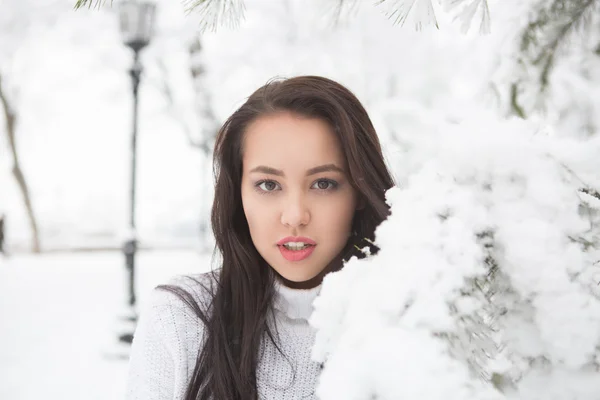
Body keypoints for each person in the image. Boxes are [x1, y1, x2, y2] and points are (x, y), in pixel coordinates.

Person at [125, 76, 396, 400]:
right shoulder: (179, 318)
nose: (295, 215)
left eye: (323, 183)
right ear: (237, 193)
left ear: (360, 193)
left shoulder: (411, 320)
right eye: (268, 185)